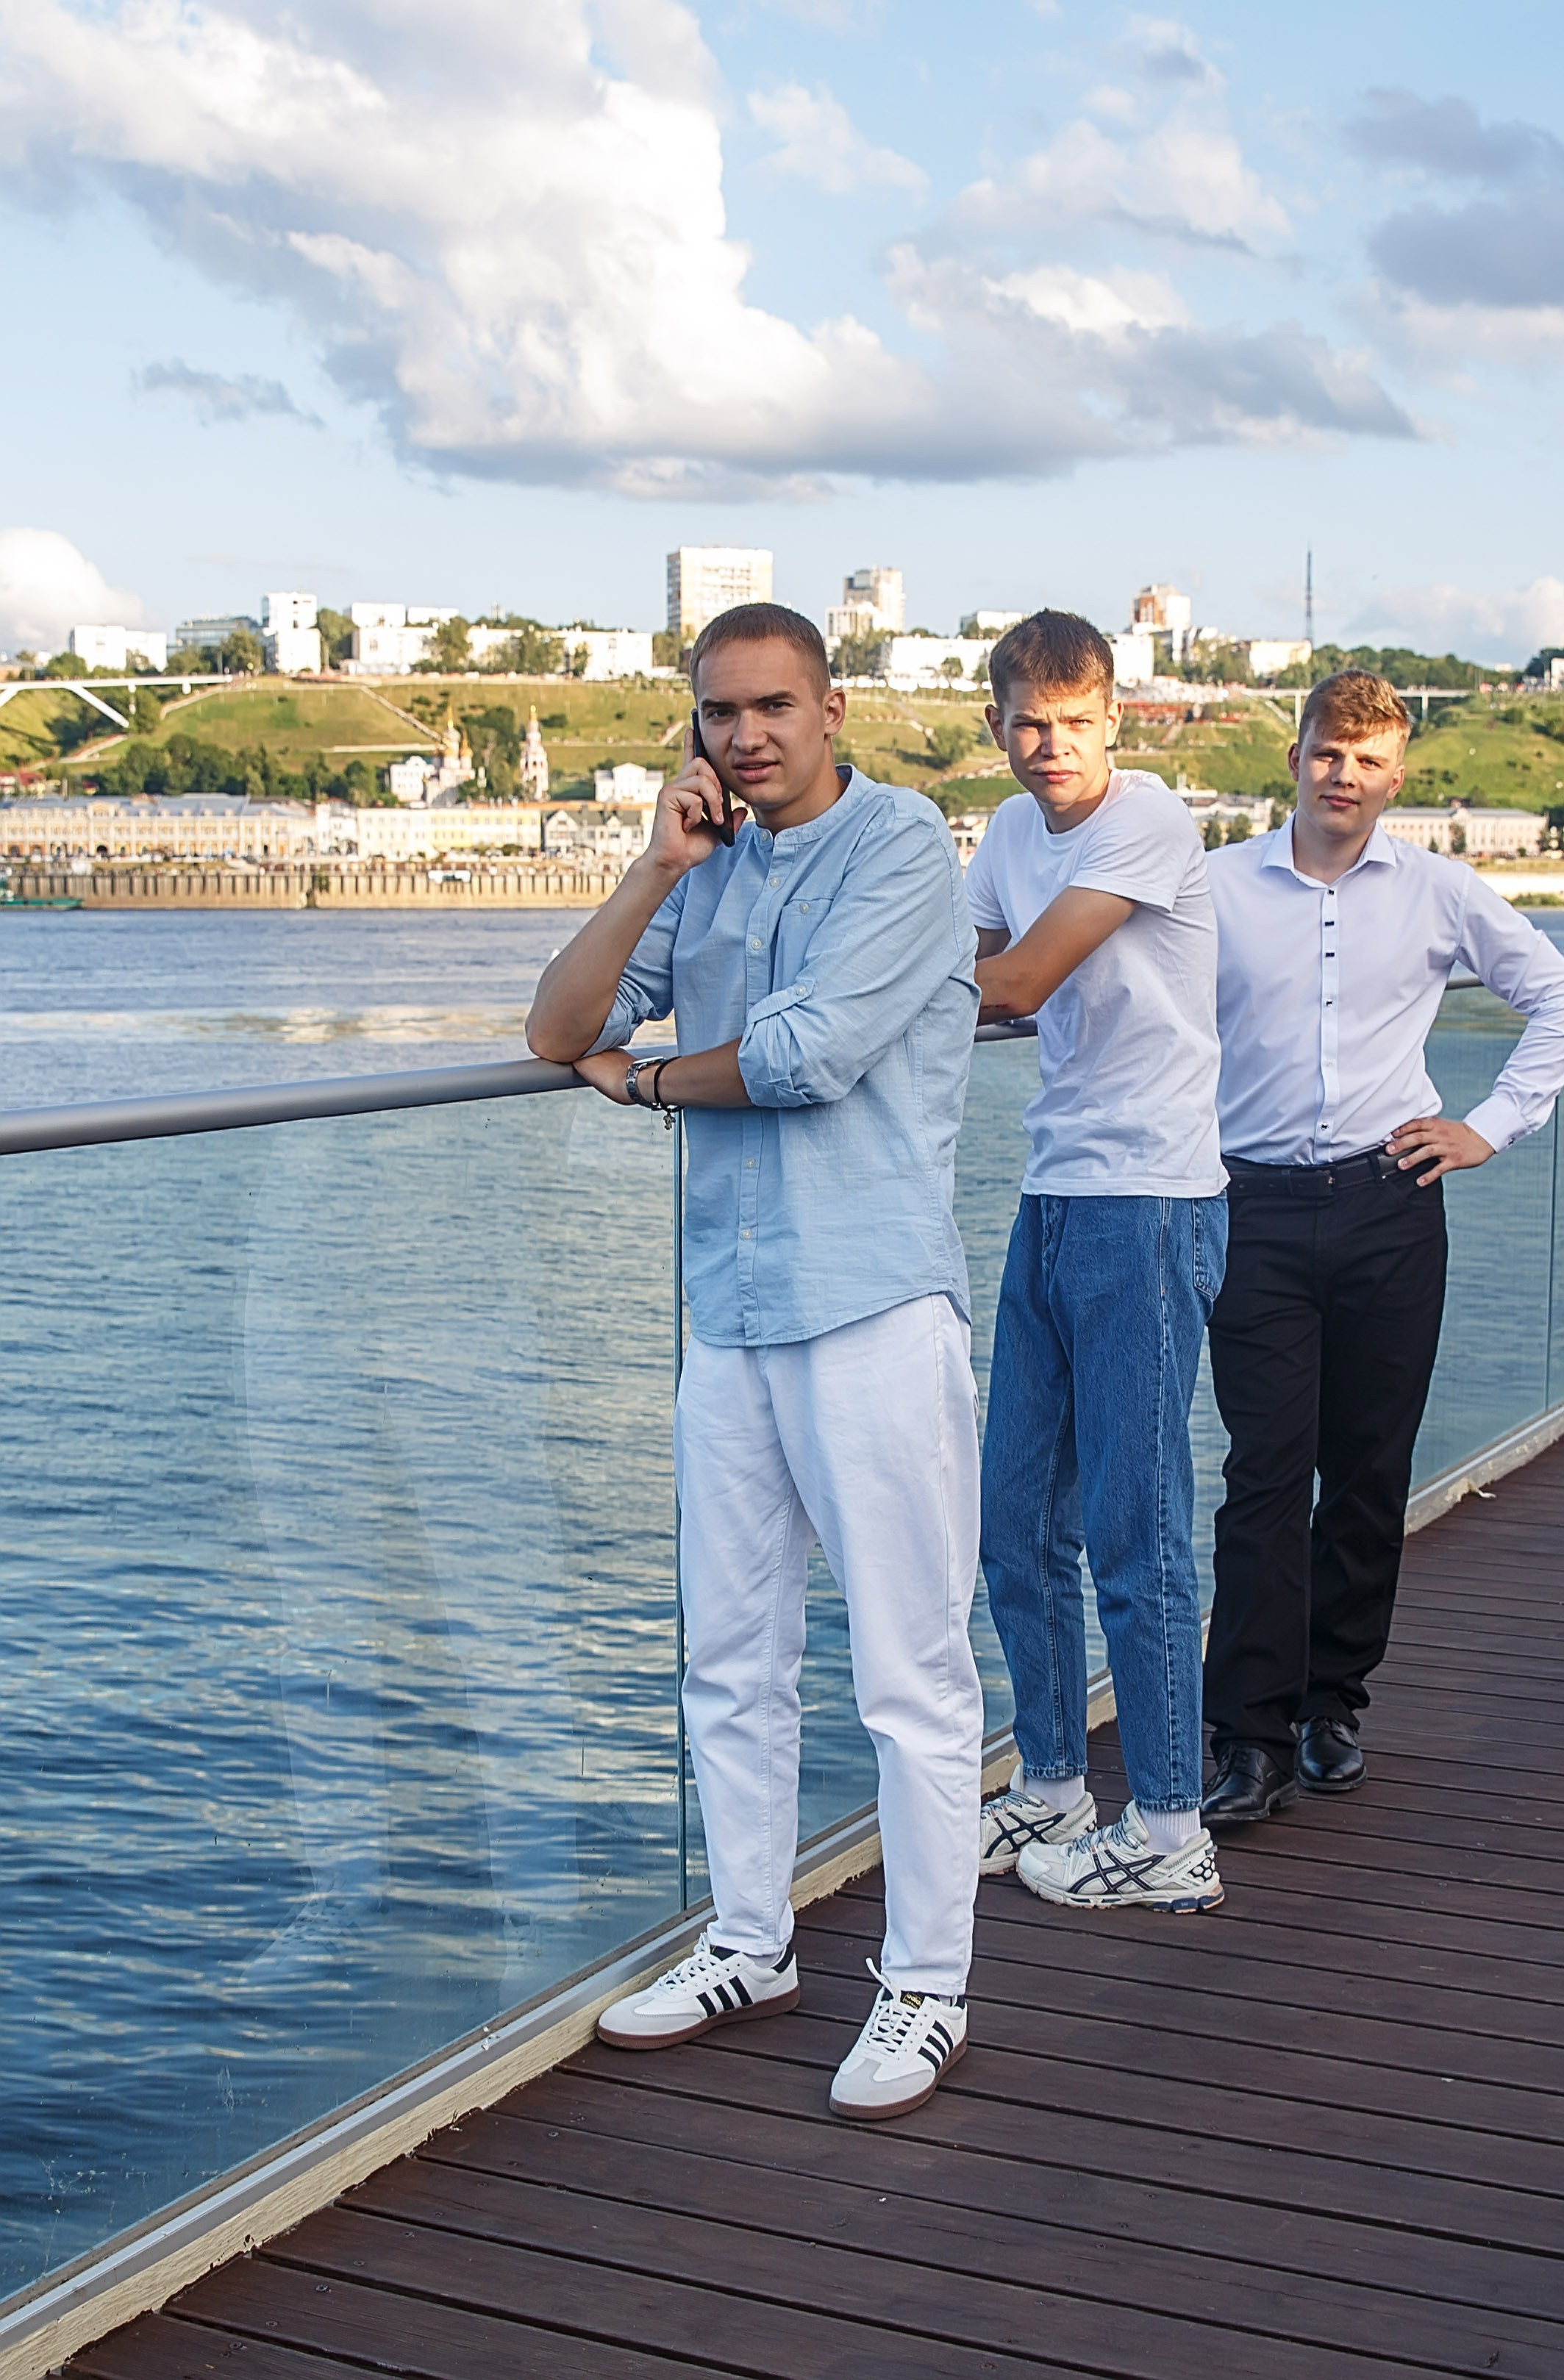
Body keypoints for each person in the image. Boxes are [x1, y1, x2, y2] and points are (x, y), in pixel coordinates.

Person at [526, 602, 985, 2120]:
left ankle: (925, 1985)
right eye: (722, 711)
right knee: (730, 1658)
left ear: (834, 704)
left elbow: (804, 1057)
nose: (750, 734)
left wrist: (648, 1078)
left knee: (910, 1675)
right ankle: (748, 1939)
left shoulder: (907, 848)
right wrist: (658, 859)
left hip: (867, 1306)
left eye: (777, 704)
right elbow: (551, 1027)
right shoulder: (704, 863)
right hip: (727, 1313)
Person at [1201, 669, 1564, 1824]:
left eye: (1369, 761)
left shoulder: (1438, 890)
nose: (1345, 777)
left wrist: (1487, 1127)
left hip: (1389, 1206)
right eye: (1329, 753)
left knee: (1366, 1474)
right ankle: (1248, 1736)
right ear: (1295, 756)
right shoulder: (1215, 885)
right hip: (1251, 1208)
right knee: (1263, 1477)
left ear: (1397, 774)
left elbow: (1560, 1000)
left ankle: (1331, 1705)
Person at [968, 611, 1227, 1915]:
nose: (1047, 745)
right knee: (1013, 1517)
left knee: (1137, 1526)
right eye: (1025, 722)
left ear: (1112, 721)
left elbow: (1009, 985)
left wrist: (852, 1001)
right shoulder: (1009, 835)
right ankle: (1054, 1783)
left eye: (1072, 723)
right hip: (1055, 1191)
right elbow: (966, 960)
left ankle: (1171, 1825)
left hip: (1153, 1200)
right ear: (996, 722)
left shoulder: (1150, 820)